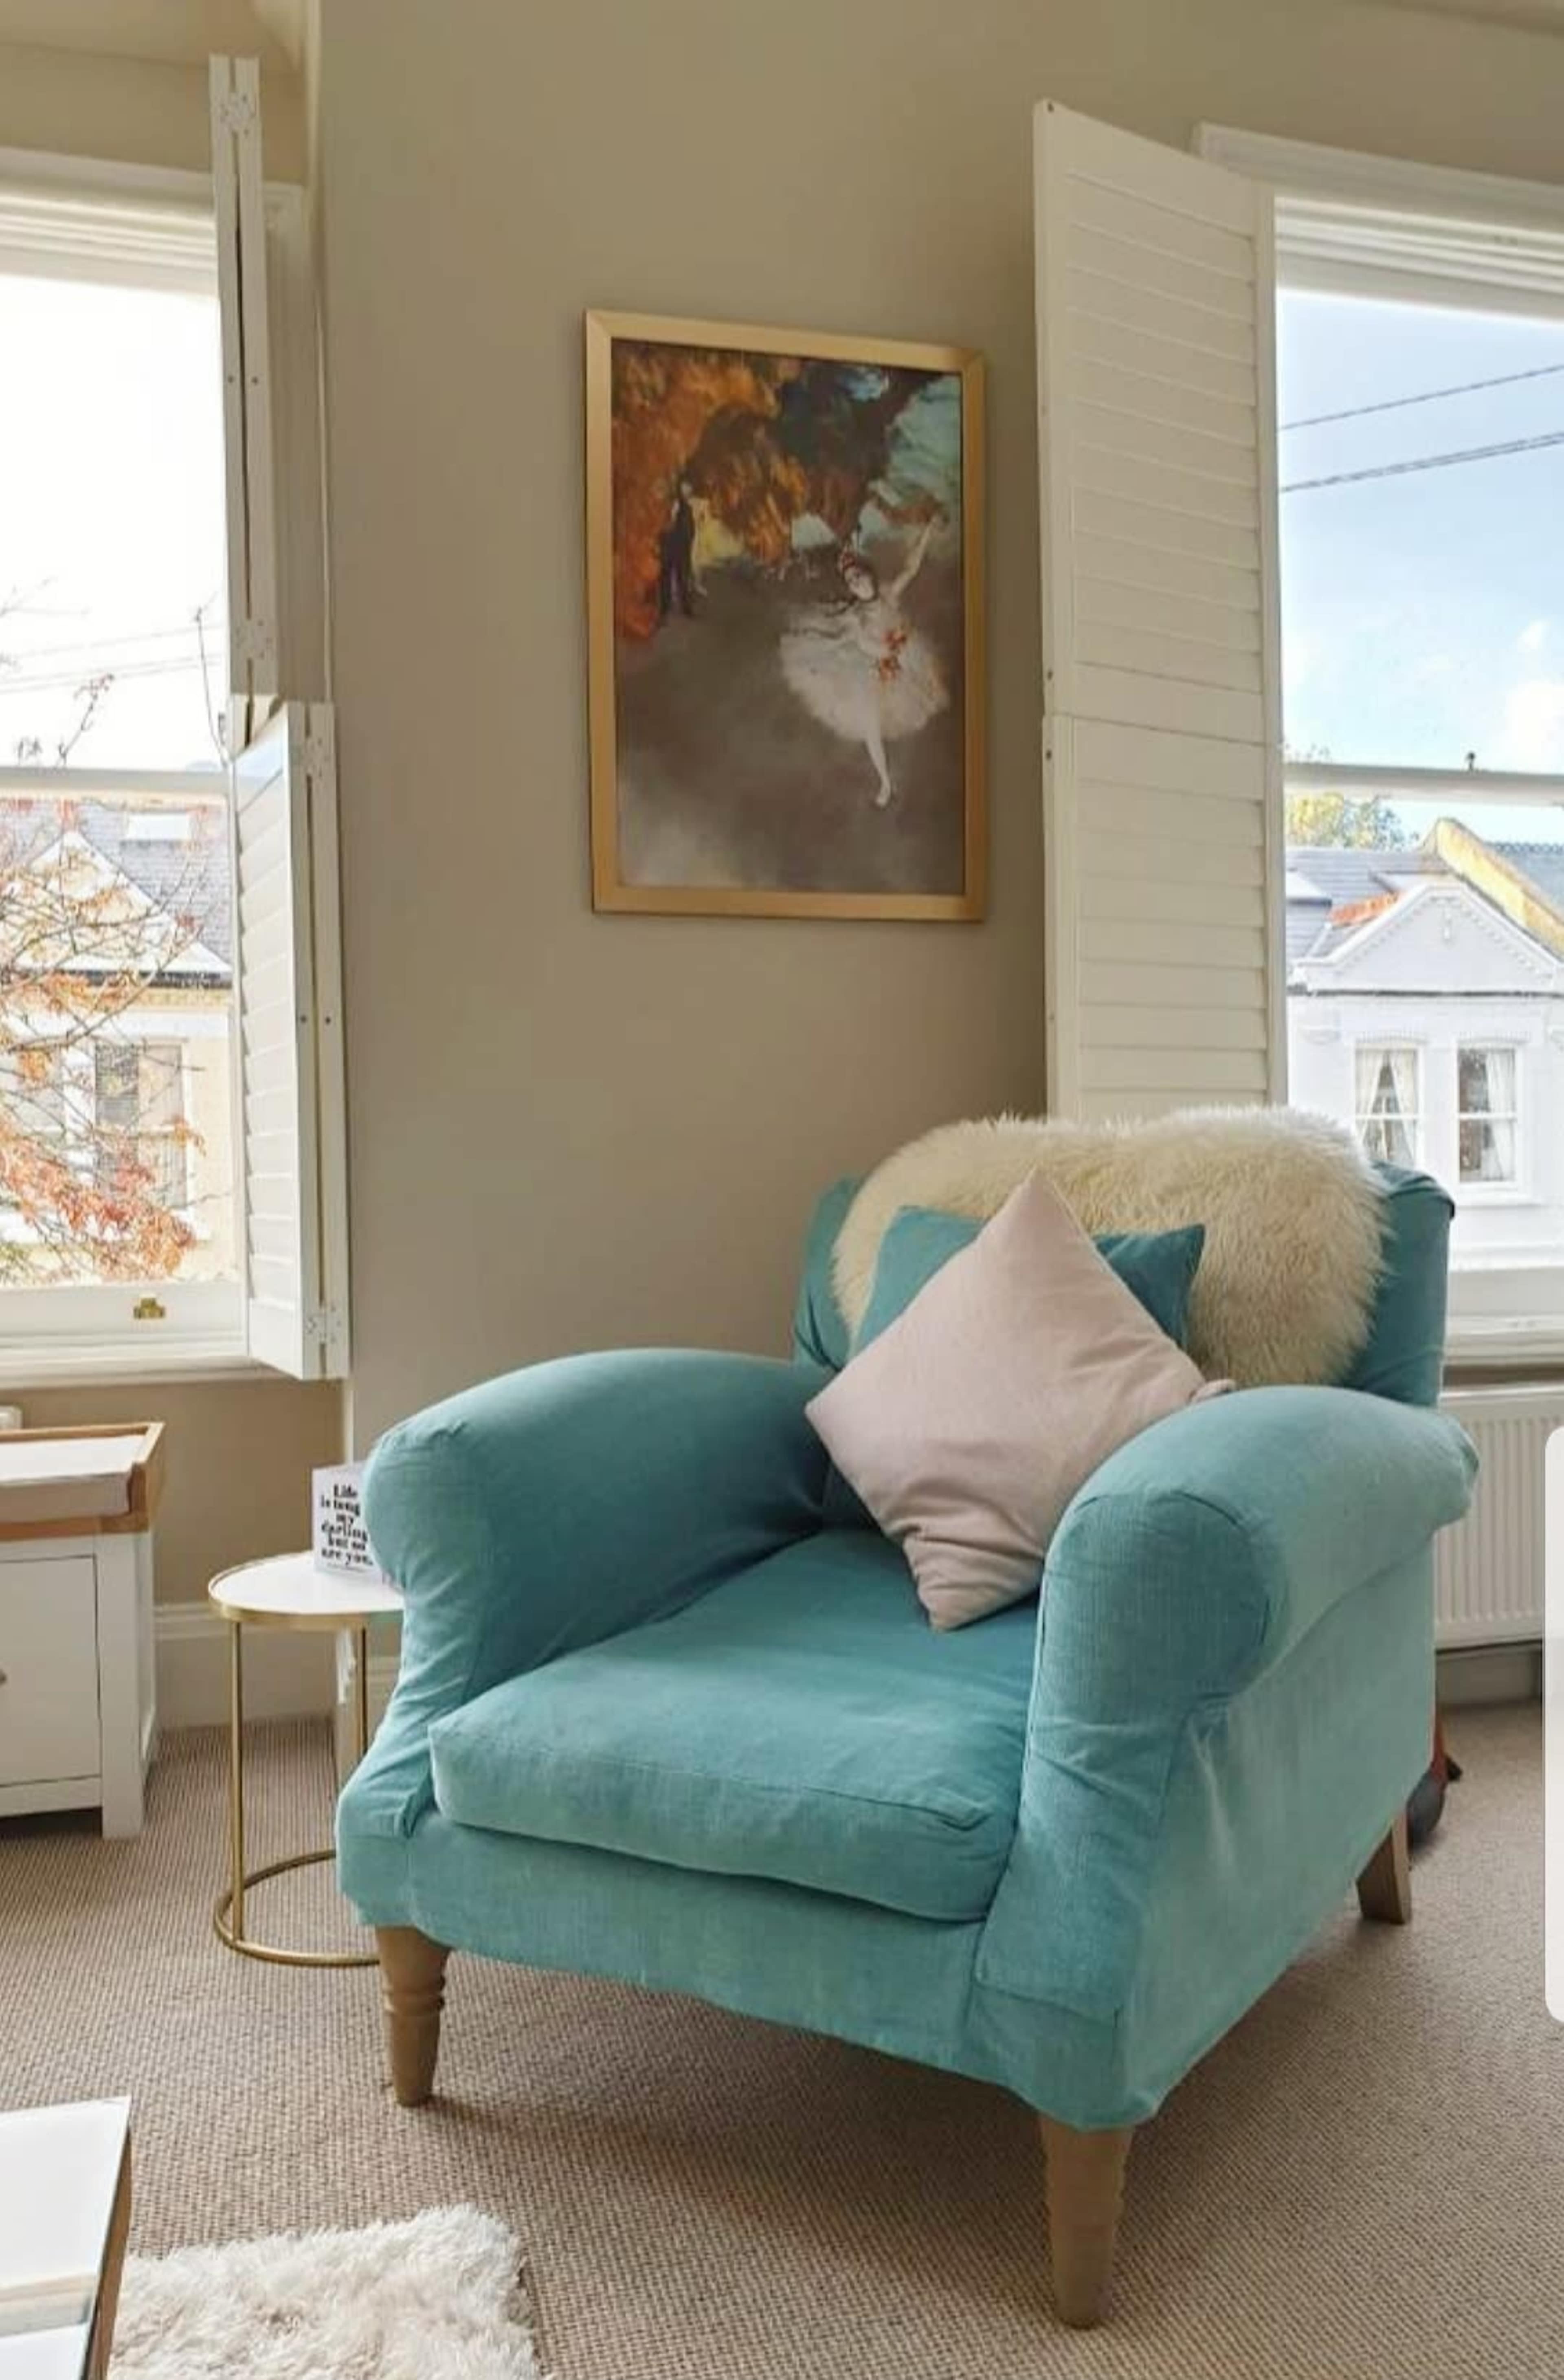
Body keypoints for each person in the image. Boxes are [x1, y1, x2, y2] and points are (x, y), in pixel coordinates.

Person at [778, 515, 947, 805]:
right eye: (852, 583)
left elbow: (911, 566)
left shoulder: (889, 594)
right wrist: (884, 653)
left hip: (901, 658)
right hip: (871, 668)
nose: (857, 583)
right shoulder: (856, 616)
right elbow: (865, 644)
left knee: (927, 694)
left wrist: (928, 531)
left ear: (870, 575)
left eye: (859, 576)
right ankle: (885, 782)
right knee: (871, 727)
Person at [657, 477, 698, 621]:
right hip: (668, 549)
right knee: (666, 580)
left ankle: (686, 607)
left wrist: (689, 544)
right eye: (685, 489)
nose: (687, 492)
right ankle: (664, 610)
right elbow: (660, 528)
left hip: (682, 549)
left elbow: (691, 529)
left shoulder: (687, 508)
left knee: (683, 578)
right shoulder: (663, 508)